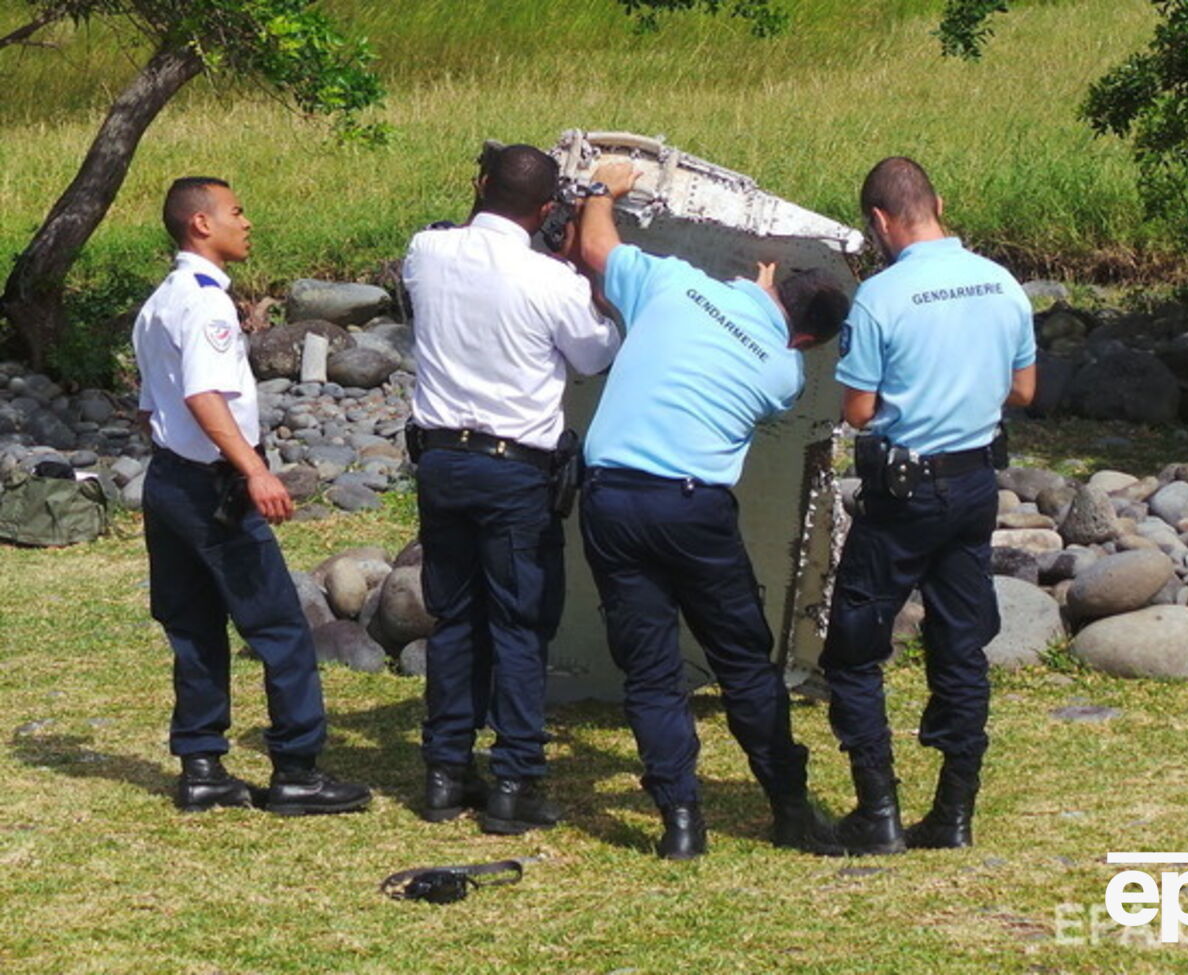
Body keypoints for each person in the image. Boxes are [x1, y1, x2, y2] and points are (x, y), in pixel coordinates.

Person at [575, 160, 851, 860]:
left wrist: (602, 189)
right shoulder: (783, 370)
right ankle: (788, 806)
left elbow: (595, 250)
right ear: (810, 339)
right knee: (743, 662)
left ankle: (680, 821)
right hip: (695, 511)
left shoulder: (673, 283)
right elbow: (764, 344)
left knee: (649, 667)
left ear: (771, 278)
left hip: (614, 498)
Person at [134, 177, 371, 816]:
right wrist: (254, 471)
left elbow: (151, 403)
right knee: (281, 627)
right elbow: (203, 396)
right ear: (200, 225)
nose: (248, 222)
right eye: (236, 211)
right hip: (213, 485)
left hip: (168, 480)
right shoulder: (207, 303)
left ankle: (202, 765)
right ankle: (296, 768)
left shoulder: (160, 300)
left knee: (194, 626)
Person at [821, 157, 1036, 854]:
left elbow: (857, 409)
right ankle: (954, 811)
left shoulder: (882, 297)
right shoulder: (1001, 282)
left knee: (855, 647)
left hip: (903, 493)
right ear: (938, 203)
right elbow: (1024, 390)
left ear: (880, 222)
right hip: (976, 484)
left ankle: (877, 811)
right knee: (960, 642)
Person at [403, 144, 621, 834]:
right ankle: (515, 778)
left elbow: (464, 239)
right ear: (548, 210)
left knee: (455, 616)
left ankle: (444, 771)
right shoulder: (549, 281)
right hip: (513, 467)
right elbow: (596, 353)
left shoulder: (426, 252)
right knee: (521, 624)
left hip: (441, 459)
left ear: (479, 188)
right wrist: (586, 271)